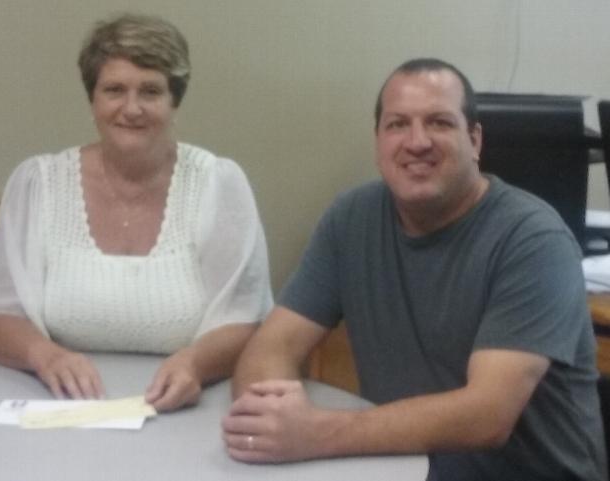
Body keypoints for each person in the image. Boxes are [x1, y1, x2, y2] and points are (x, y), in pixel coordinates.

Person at [223, 58, 607, 481]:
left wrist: (315, 433)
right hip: (404, 469)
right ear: (378, 142)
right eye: (398, 124)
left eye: (439, 122)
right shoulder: (351, 219)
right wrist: (270, 418)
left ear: (474, 140)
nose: (417, 141)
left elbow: (487, 415)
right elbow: (272, 348)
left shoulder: (533, 240)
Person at [0, 14, 273, 413]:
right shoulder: (38, 183)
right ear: (92, 100)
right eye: (114, 90)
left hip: (188, 407)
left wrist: (195, 363)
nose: (131, 109)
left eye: (150, 91)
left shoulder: (219, 184)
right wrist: (46, 356)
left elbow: (246, 317)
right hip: (63, 407)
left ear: (174, 101)